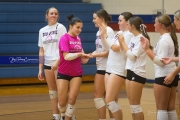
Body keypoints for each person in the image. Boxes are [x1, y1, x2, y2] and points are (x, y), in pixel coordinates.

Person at [140, 14, 179, 120]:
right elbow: (161, 57)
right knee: (170, 108)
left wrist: (147, 50)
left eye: (155, 22)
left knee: (161, 109)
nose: (154, 24)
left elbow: (160, 62)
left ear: (160, 25)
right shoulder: (167, 38)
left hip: (163, 76)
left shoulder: (164, 40)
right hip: (170, 74)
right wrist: (148, 47)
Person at [99, 12, 133, 120]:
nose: (118, 23)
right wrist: (103, 37)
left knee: (109, 100)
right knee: (113, 100)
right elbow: (108, 47)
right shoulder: (118, 33)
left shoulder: (129, 35)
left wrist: (106, 35)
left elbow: (115, 48)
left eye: (120, 20)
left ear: (127, 22)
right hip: (109, 68)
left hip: (118, 70)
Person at [56, 15, 91, 120]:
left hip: (76, 73)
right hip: (63, 72)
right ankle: (63, 114)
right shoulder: (64, 38)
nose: (80, 30)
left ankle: (68, 118)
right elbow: (66, 57)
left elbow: (81, 53)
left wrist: (84, 58)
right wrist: (79, 54)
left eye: (81, 28)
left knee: (72, 99)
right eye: (78, 27)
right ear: (71, 26)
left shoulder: (78, 38)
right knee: (62, 102)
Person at [117, 16, 151, 120]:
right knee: (132, 105)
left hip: (137, 72)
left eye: (128, 24)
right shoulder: (133, 38)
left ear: (132, 26)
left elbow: (132, 56)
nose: (126, 26)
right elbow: (127, 55)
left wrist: (123, 42)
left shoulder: (141, 39)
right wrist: (122, 46)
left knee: (136, 105)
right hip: (130, 70)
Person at [38, 7, 67, 120]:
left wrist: (58, 61)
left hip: (59, 62)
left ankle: (66, 115)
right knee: (52, 91)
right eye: (51, 13)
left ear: (58, 16)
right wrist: (40, 68)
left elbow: (65, 47)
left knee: (62, 91)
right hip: (47, 64)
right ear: (47, 16)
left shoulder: (60, 27)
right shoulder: (42, 31)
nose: (53, 15)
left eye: (55, 13)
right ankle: (56, 115)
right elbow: (41, 50)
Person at [91, 9, 115, 120]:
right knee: (108, 97)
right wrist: (89, 55)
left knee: (98, 95)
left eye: (95, 18)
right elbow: (100, 50)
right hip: (101, 66)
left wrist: (93, 56)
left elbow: (109, 52)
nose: (93, 20)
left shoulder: (108, 31)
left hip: (106, 67)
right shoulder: (98, 32)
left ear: (101, 18)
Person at [159, 10, 180, 109]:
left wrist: (173, 73)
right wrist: (172, 59)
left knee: (163, 107)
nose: (174, 22)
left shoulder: (165, 39)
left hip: (172, 73)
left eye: (175, 20)